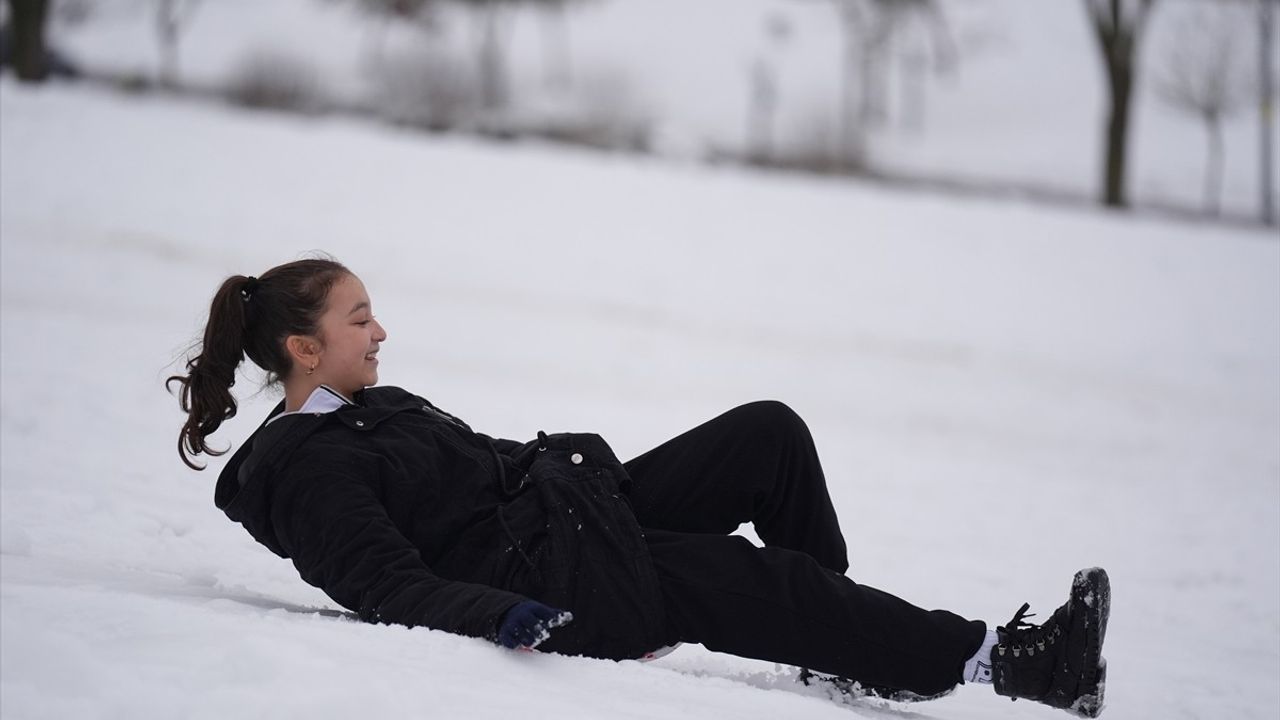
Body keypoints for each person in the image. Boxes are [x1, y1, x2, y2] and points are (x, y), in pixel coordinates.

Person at [168, 257, 1111, 717]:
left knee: (768, 435)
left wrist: (572, 469)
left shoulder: (370, 404)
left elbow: (481, 469)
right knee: (754, 579)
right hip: (565, 585)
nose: (381, 333)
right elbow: (384, 586)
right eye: (360, 319)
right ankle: (1016, 663)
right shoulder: (301, 468)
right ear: (304, 347)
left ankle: (845, 646)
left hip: (573, 519)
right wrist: (505, 617)